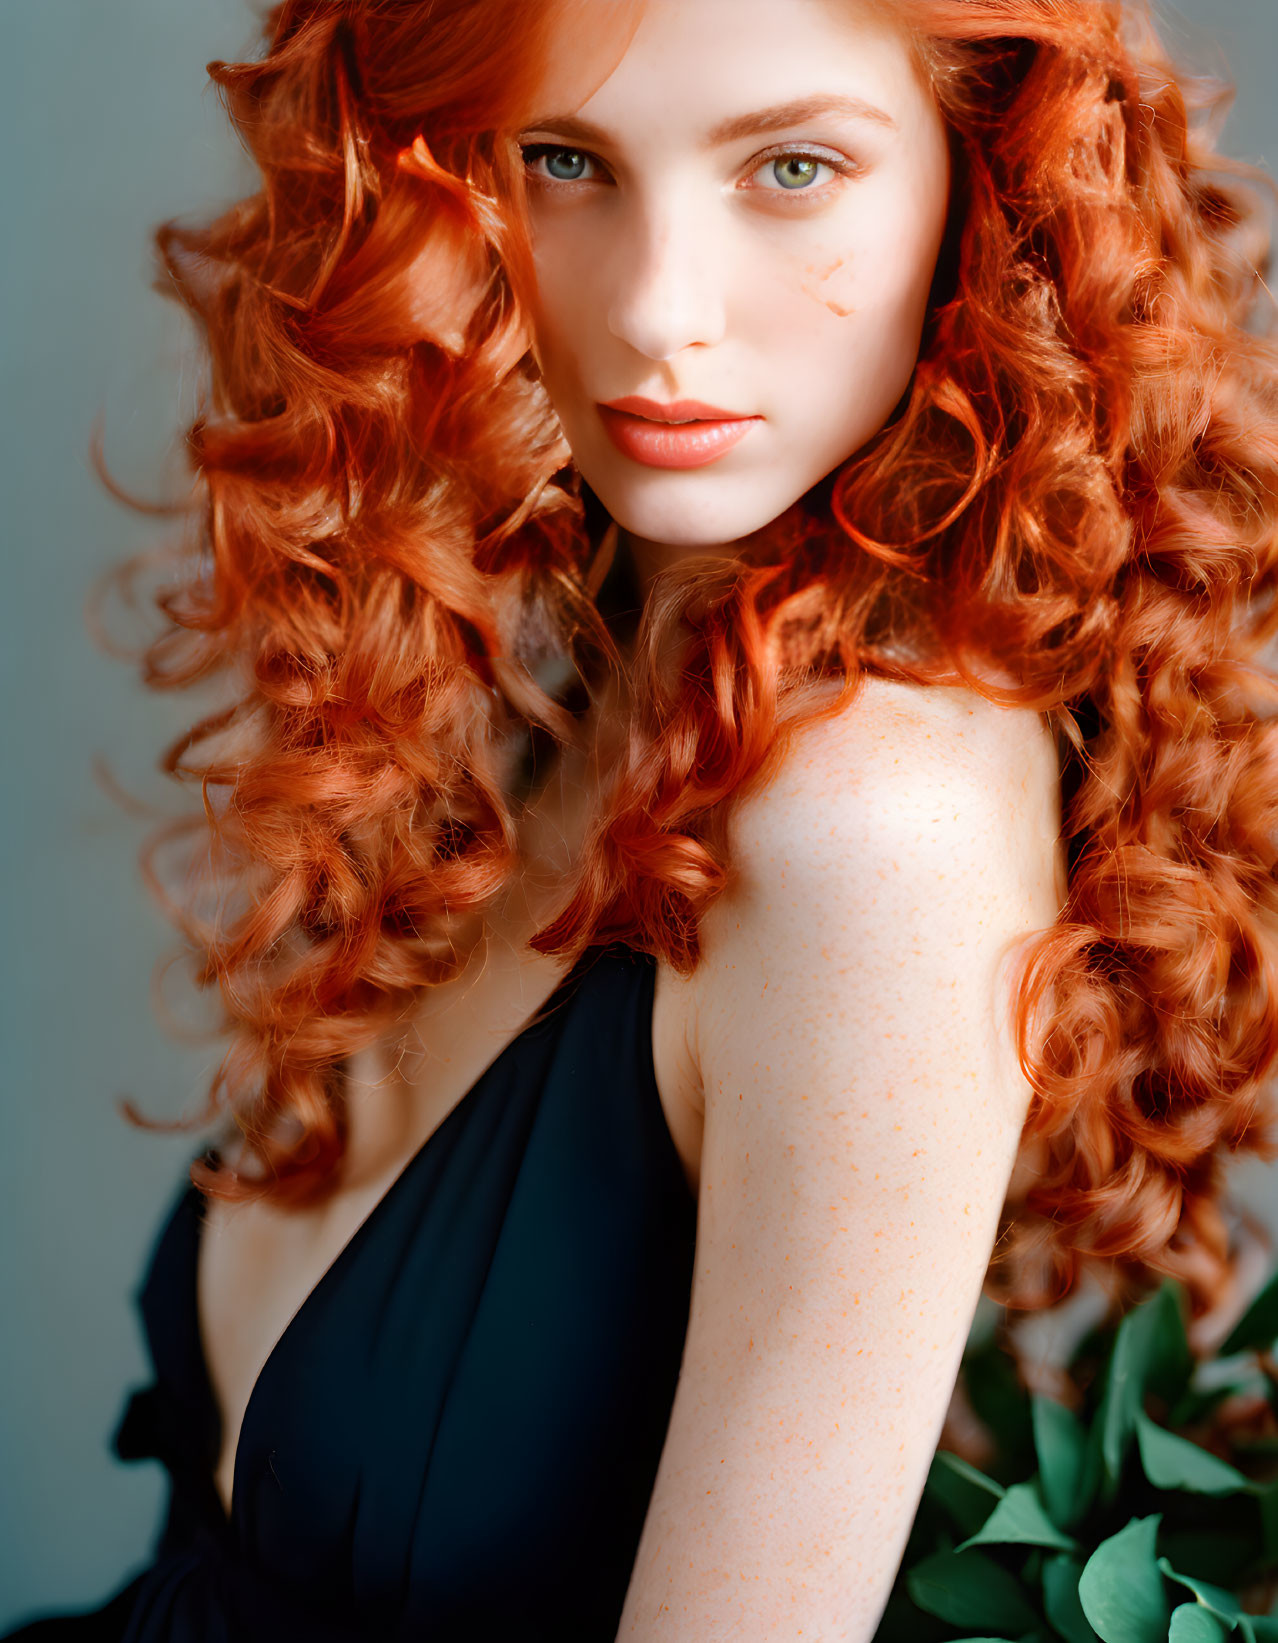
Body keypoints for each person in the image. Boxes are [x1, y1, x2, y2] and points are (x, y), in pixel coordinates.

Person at [8, 0, 1278, 1637]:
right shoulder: (601, 663)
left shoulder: (870, 821)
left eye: (792, 166)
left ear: (992, 173)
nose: (655, 311)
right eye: (562, 160)